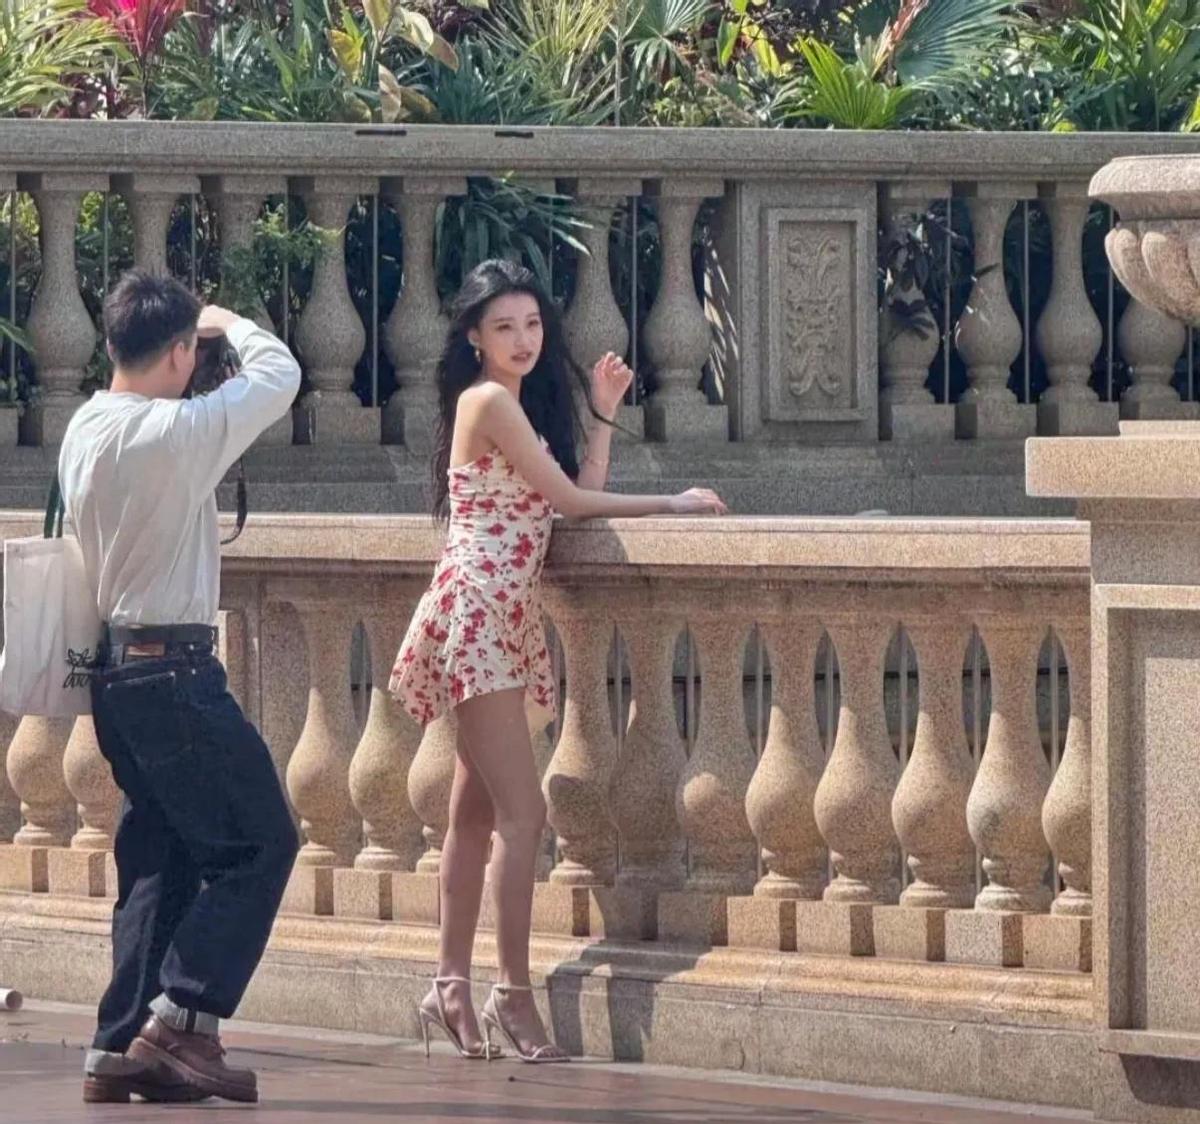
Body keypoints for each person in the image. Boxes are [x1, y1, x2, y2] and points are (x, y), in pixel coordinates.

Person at [389, 259, 727, 1065]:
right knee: (523, 815)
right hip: (479, 612)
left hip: (504, 615)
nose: (523, 339)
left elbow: (572, 496)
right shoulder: (487, 401)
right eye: (504, 327)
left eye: (533, 324)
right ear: (474, 338)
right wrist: (673, 502)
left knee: (475, 814)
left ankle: (450, 985)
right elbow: (574, 503)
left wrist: (602, 412)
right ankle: (510, 992)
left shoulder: (513, 409)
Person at [56, 269, 302, 1104]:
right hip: (177, 674)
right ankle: (182, 1018)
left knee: (158, 863)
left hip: (118, 677)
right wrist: (230, 322)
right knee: (262, 844)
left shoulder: (85, 426)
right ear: (176, 351)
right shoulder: (179, 432)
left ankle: (118, 1046)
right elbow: (281, 375)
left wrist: (200, 335)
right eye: (191, 350)